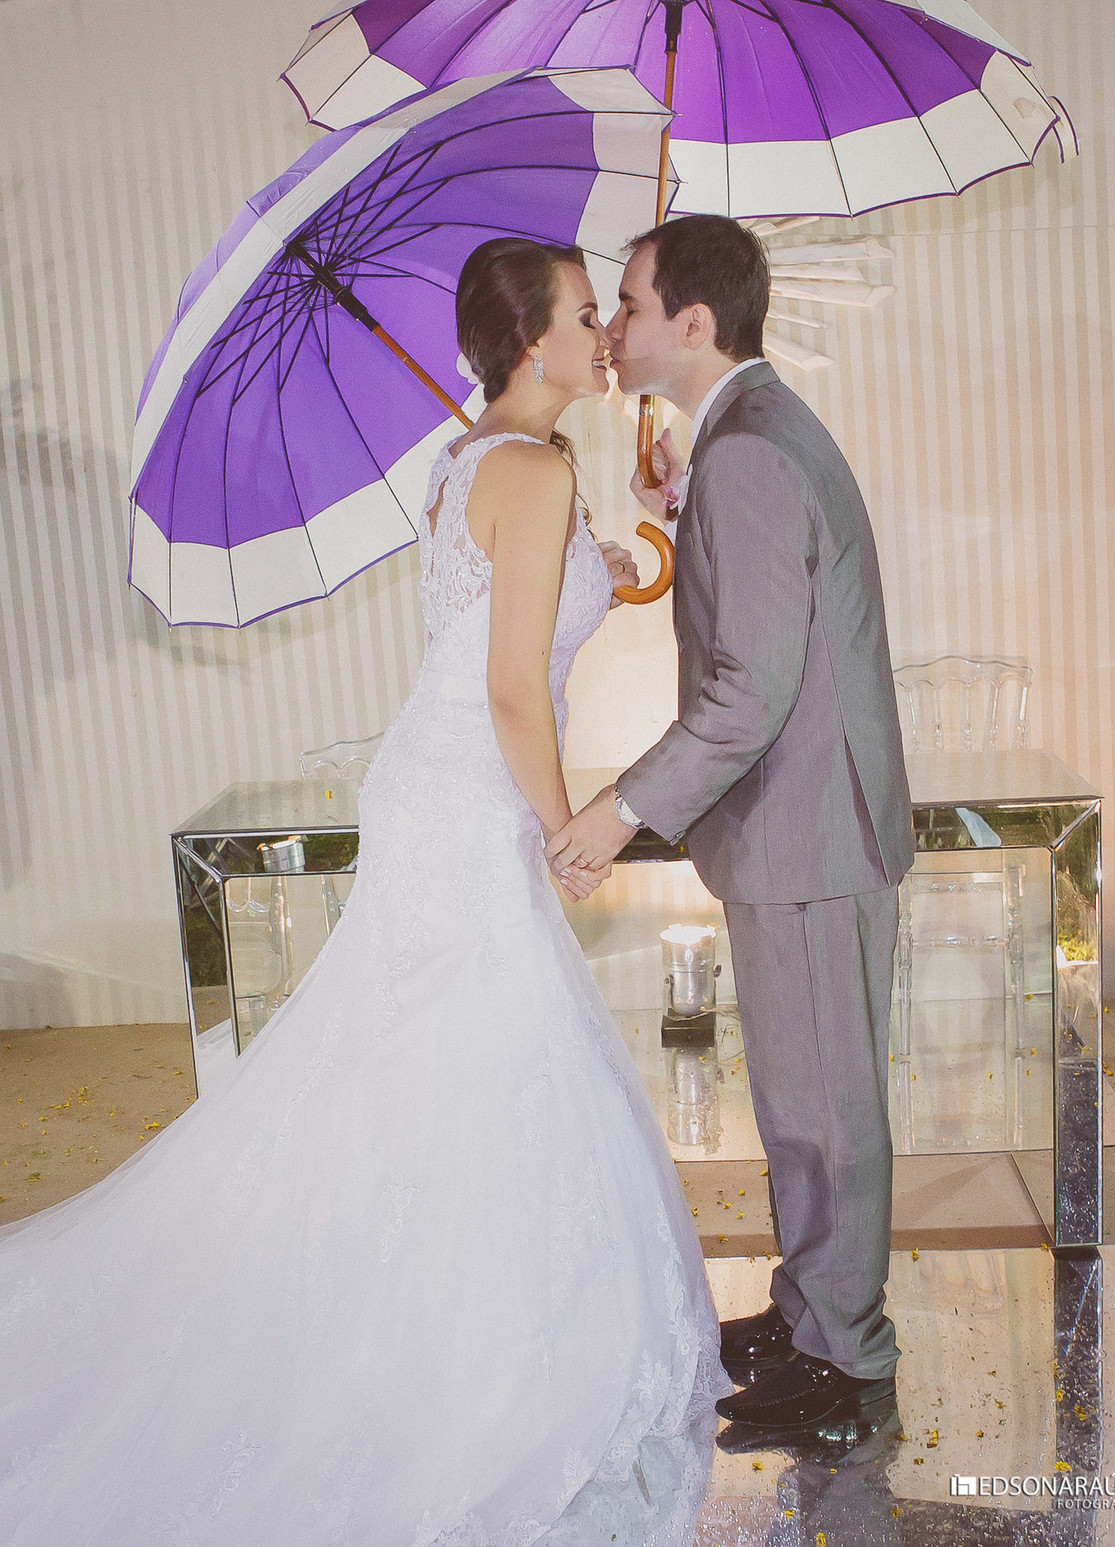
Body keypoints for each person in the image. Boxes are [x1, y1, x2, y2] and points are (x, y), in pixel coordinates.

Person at [0, 237, 733, 1545]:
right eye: (584, 315)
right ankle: (462, 1352)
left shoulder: (471, 461)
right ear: (531, 343)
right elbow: (512, 689)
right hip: (475, 798)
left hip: (434, 788)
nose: (603, 334)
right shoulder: (534, 474)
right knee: (478, 1060)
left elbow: (520, 610)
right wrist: (566, 827)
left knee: (414, 1067)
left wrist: (624, 560)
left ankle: (413, 1306)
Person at [547, 214, 916, 1444]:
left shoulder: (749, 451)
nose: (614, 326)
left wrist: (621, 809)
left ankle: (849, 1364)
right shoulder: (743, 436)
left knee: (826, 1111)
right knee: (805, 1098)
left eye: (630, 304)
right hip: (804, 827)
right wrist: (682, 490)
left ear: (694, 323)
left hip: (809, 832)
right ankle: (814, 1309)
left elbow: (750, 692)